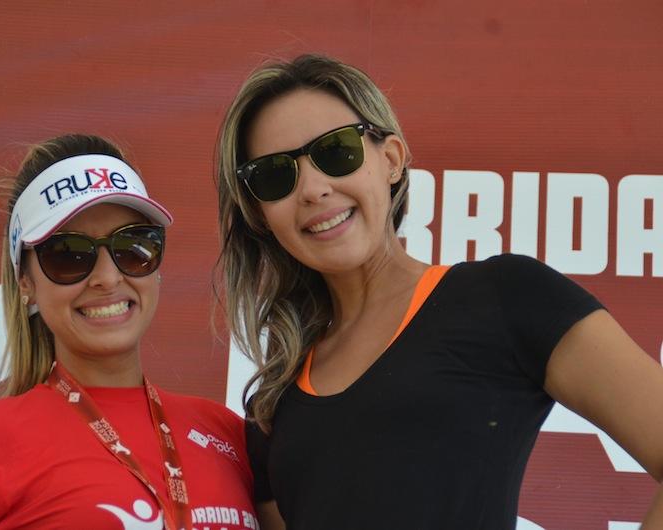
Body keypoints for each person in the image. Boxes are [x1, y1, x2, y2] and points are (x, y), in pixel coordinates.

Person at [215, 54, 663, 529]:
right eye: (274, 175)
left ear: (391, 160)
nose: (313, 189)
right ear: (260, 213)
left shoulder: (506, 297)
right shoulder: (274, 404)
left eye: (336, 151)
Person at [0, 134, 258, 530]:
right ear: (25, 283)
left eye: (134, 245)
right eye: (69, 255)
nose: (107, 277)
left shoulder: (225, 432)